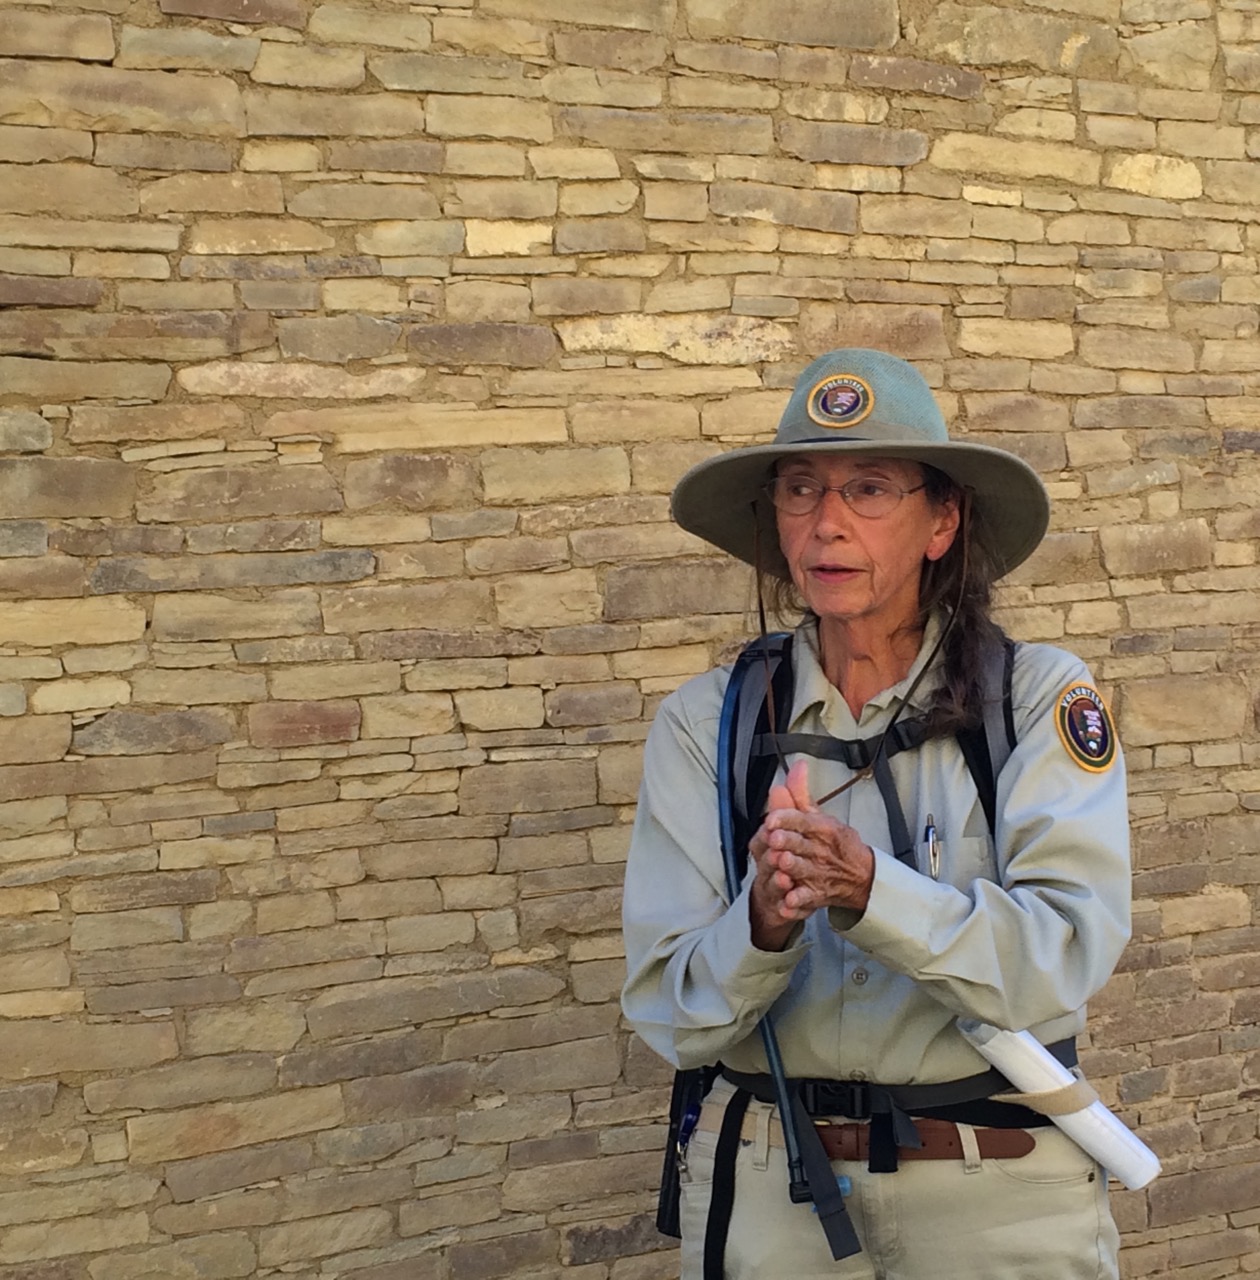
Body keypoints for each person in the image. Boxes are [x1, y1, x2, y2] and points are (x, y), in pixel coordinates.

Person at [621, 348, 1132, 1279]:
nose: (827, 522)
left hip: (1002, 1196)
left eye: (868, 488)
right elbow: (672, 1010)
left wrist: (870, 892)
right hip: (771, 1194)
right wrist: (764, 926)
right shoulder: (710, 721)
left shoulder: (1035, 698)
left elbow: (1062, 956)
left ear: (942, 521)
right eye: (801, 488)